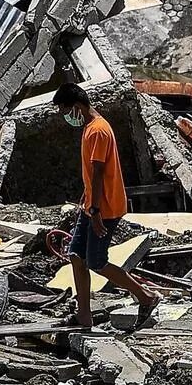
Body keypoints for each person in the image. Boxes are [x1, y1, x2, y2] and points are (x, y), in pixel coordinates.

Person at [55, 83, 157, 330]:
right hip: (92, 204)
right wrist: (86, 198)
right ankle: (84, 316)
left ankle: (146, 297)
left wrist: (95, 212)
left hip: (105, 207)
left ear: (78, 107)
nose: (65, 116)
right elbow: (92, 174)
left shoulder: (98, 131)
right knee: (76, 256)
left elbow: (99, 172)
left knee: (97, 262)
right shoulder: (91, 128)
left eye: (65, 110)